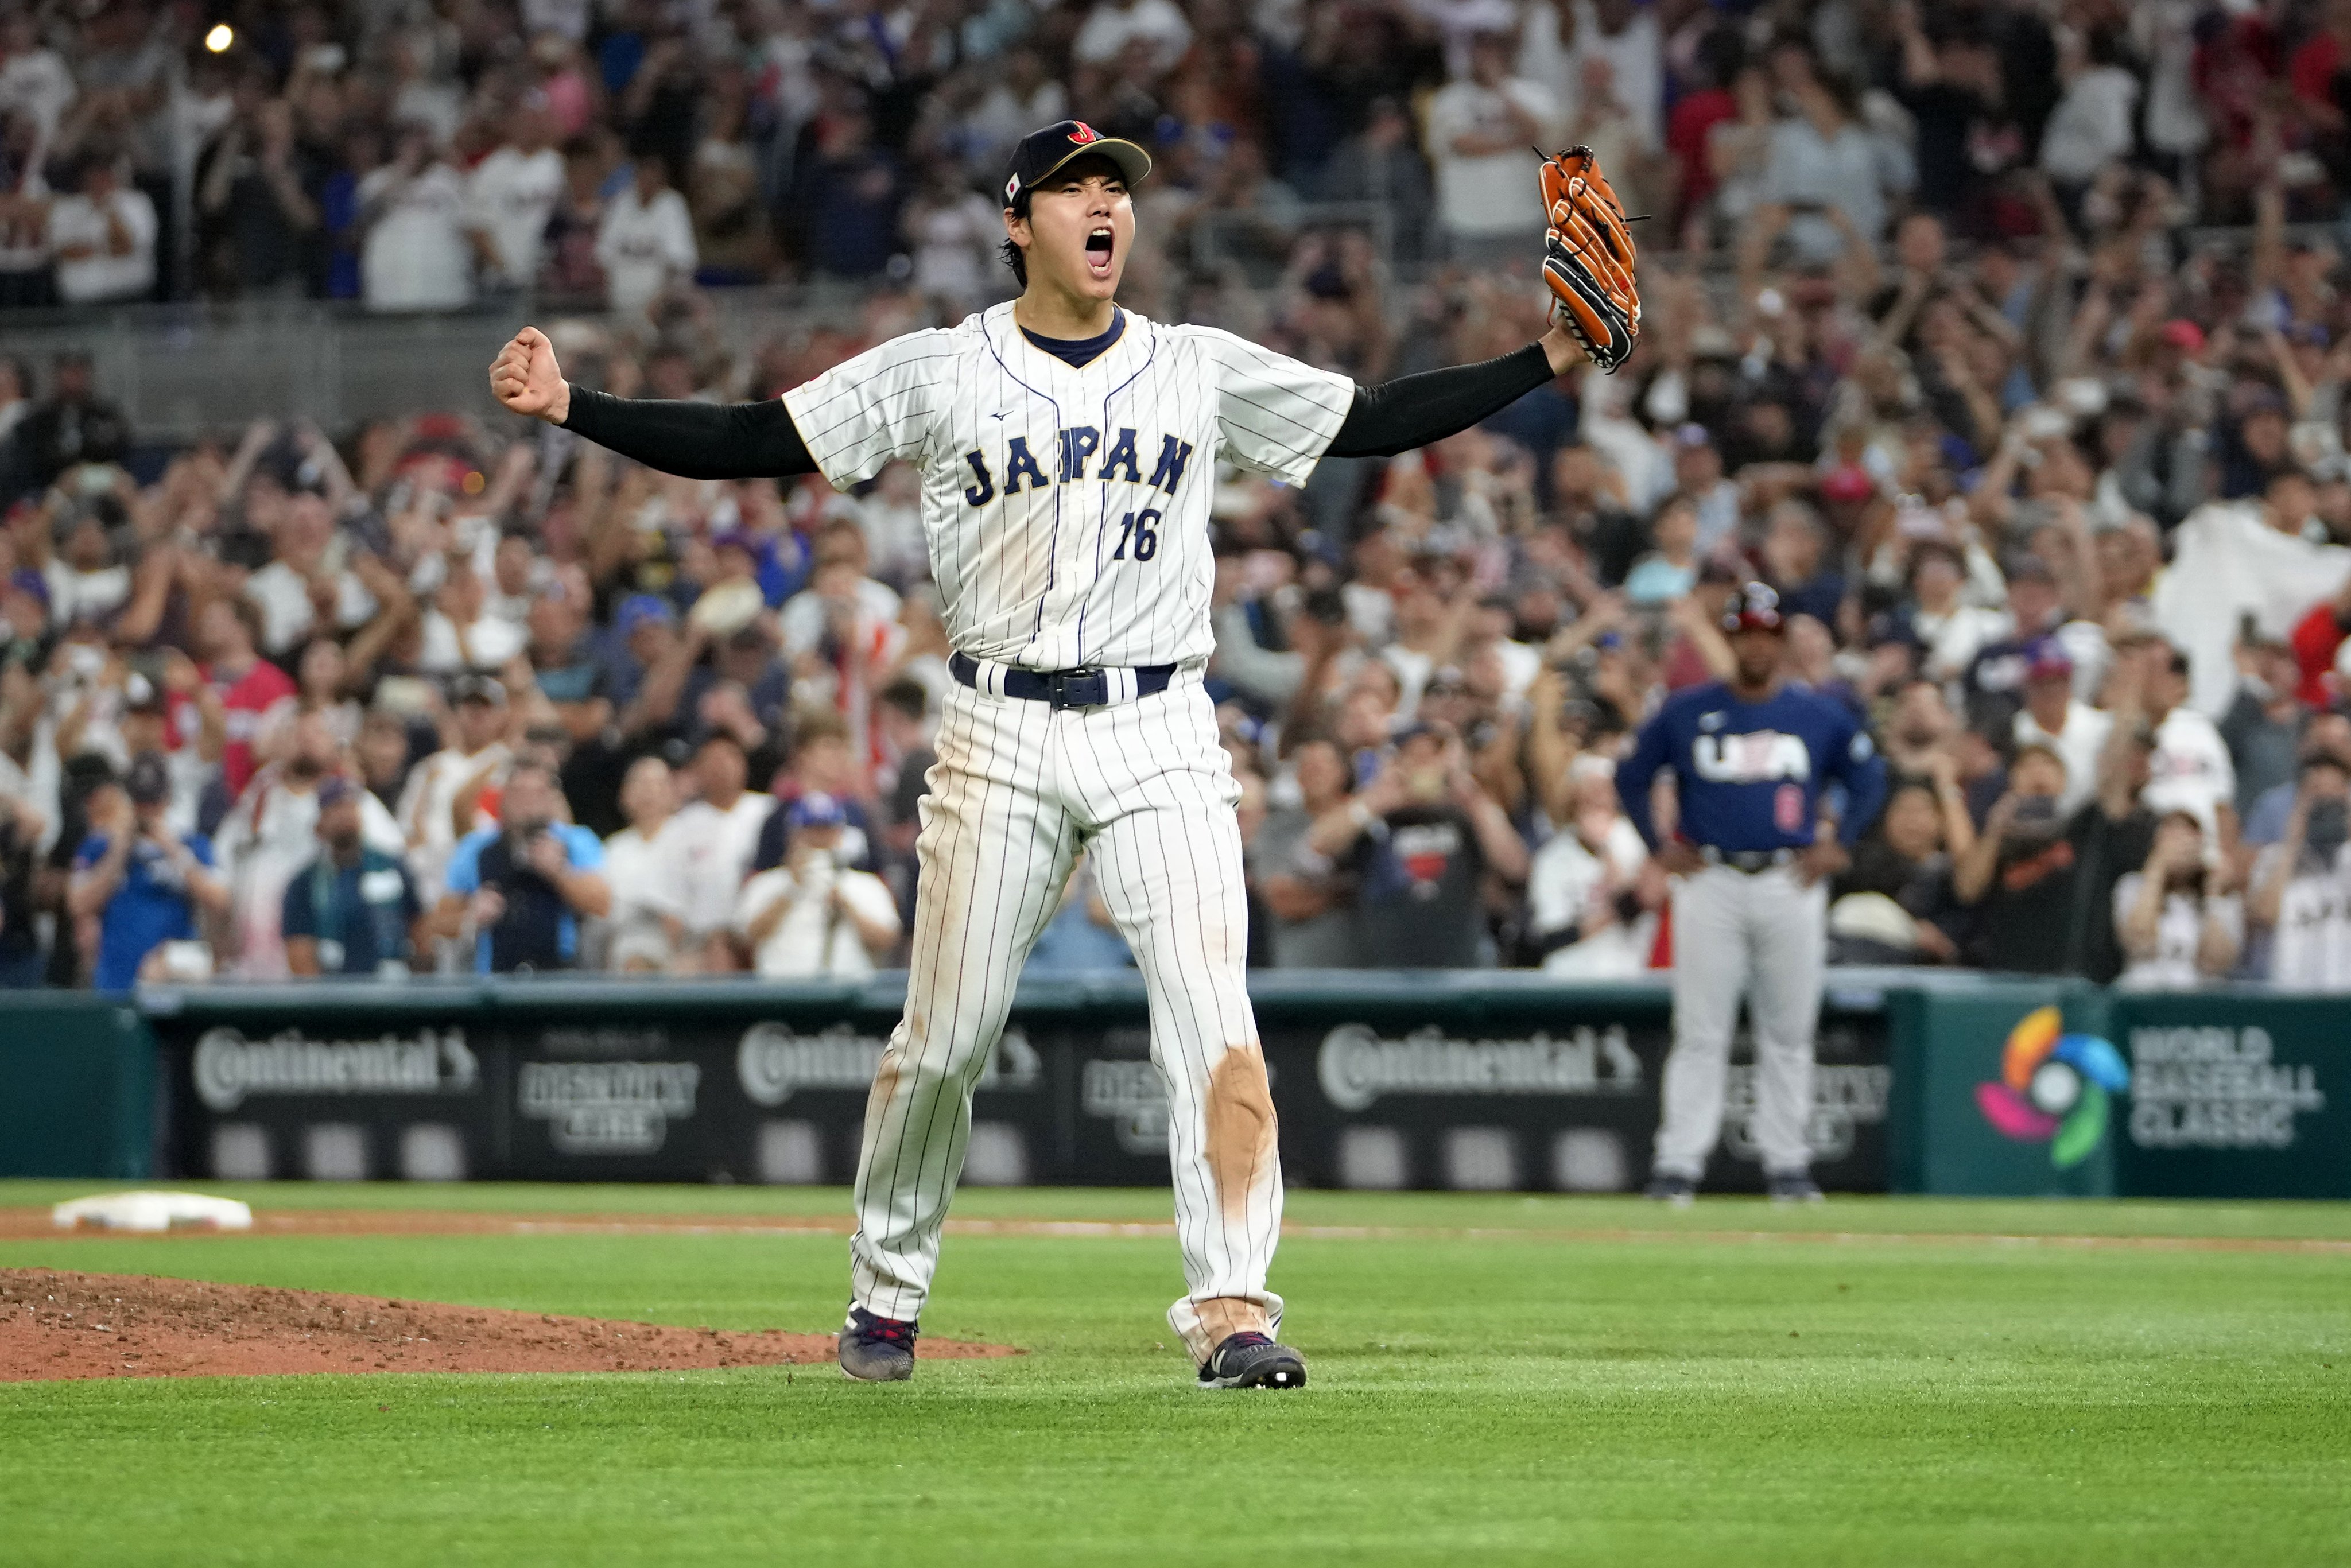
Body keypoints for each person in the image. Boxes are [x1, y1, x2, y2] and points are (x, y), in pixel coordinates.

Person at [491, 118, 1609, 1389]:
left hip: (1159, 726)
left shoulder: (1191, 365)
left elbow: (1369, 418)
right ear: (1018, 222)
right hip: (996, 728)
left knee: (1212, 1019)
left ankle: (1235, 1308)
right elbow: (755, 437)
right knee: (944, 1039)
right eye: (1075, 187)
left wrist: (1543, 356)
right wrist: (573, 406)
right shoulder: (940, 369)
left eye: (1116, 190)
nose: (1104, 206)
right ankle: (885, 1292)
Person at [1615, 584, 1888, 1205]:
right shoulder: (1687, 710)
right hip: (1709, 876)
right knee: (1700, 1030)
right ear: (1732, 637)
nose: (1755, 644)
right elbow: (1631, 775)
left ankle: (1788, 1165)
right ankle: (1678, 1165)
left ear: (1780, 640)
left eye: (1765, 632)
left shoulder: (1814, 712)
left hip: (1788, 876)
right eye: (1744, 632)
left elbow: (1868, 773)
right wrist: (1659, 843)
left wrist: (1838, 838)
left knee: (1789, 1030)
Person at [68, 755, 229, 990]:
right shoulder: (100, 845)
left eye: (153, 803)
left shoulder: (191, 844)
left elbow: (221, 900)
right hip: (117, 980)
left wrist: (174, 852)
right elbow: (77, 903)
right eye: (139, 803)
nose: (146, 812)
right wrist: (119, 852)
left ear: (166, 800)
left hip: (176, 977)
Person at [437, 761, 610, 973]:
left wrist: (559, 873)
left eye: (537, 793)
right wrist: (471, 917)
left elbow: (603, 905)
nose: (527, 803)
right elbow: (437, 925)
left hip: (562, 977)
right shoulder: (476, 847)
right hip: (493, 979)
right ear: (503, 798)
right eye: (518, 793)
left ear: (551, 799)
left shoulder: (576, 840)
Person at [732, 793, 901, 977]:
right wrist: (792, 889)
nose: (819, 839)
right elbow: (747, 937)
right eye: (810, 831)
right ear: (792, 835)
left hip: (846, 992)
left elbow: (887, 940)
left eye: (826, 831)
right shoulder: (766, 883)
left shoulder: (866, 884)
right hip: (781, 994)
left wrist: (845, 905)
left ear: (839, 834)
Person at [281, 777, 425, 977]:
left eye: (351, 806)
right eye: (337, 807)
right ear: (320, 821)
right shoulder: (305, 883)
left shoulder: (392, 867)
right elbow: (300, 955)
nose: (346, 814)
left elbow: (420, 932)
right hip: (334, 997)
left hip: (392, 992)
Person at [2247, 751, 2351, 989]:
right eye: (2316, 792)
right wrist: (2292, 841)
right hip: (2292, 1002)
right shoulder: (2274, 858)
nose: (2325, 801)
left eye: (2334, 792)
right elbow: (2264, 916)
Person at [2111, 812, 2243, 989]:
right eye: (2172, 838)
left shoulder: (2223, 898)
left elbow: (2214, 962)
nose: (2179, 847)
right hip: (2143, 996)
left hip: (2198, 1001)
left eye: (2187, 839)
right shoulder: (2132, 886)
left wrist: (2213, 893)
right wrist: (2158, 867)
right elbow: (2140, 943)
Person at [600, 754, 687, 972]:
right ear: (625, 795)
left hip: (682, 949)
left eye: (657, 785)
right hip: (625, 950)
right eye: (640, 784)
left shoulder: (689, 838)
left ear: (673, 793)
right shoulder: (614, 848)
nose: (648, 793)